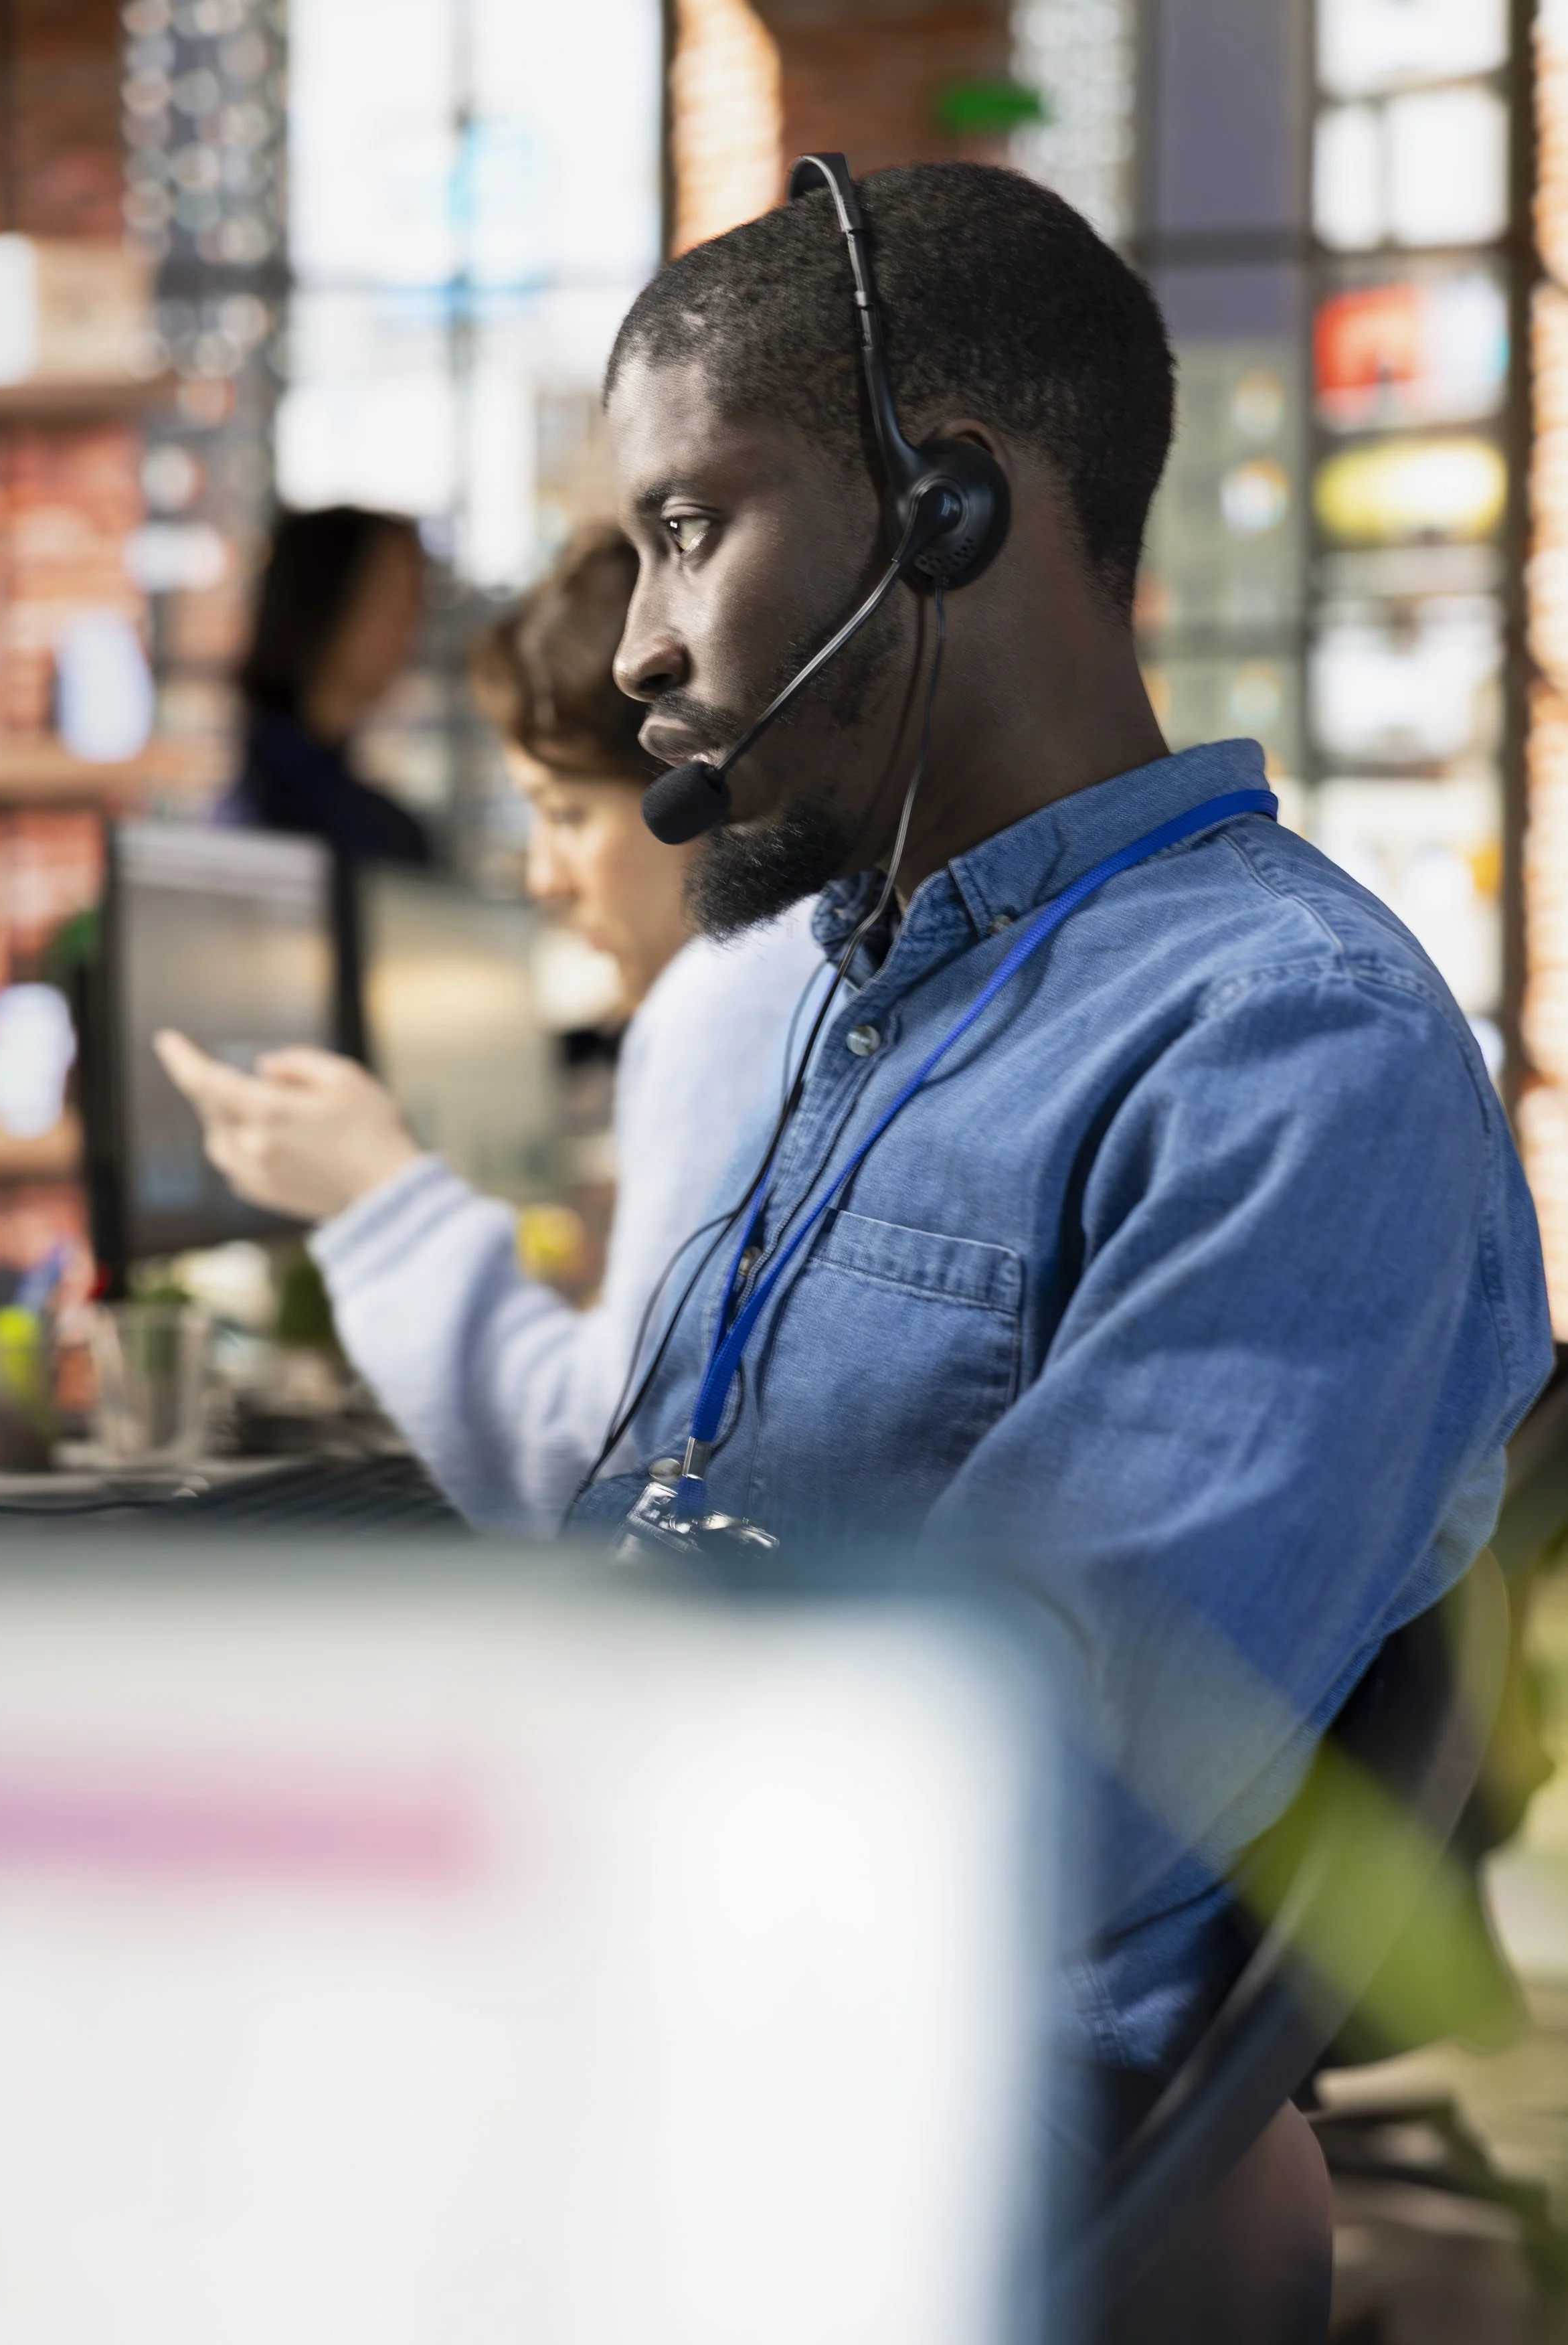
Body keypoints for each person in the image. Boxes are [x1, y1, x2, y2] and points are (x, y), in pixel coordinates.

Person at [568, 161, 1553, 2090]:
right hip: (674, 2003)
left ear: (947, 509)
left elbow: (1015, 1785)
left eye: (687, 529)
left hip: (842, 2109)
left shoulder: (1275, 1042)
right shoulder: (879, 997)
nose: (640, 651)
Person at [158, 524, 822, 1530]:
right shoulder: (826, 961)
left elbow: (590, 1471)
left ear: (704, 793)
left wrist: (375, 1196)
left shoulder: (729, 994)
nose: (542, 878)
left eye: (567, 814)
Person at [230, 503, 432, 869]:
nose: (409, 634)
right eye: (394, 601)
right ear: (329, 599)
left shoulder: (253, 782)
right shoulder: (364, 833)